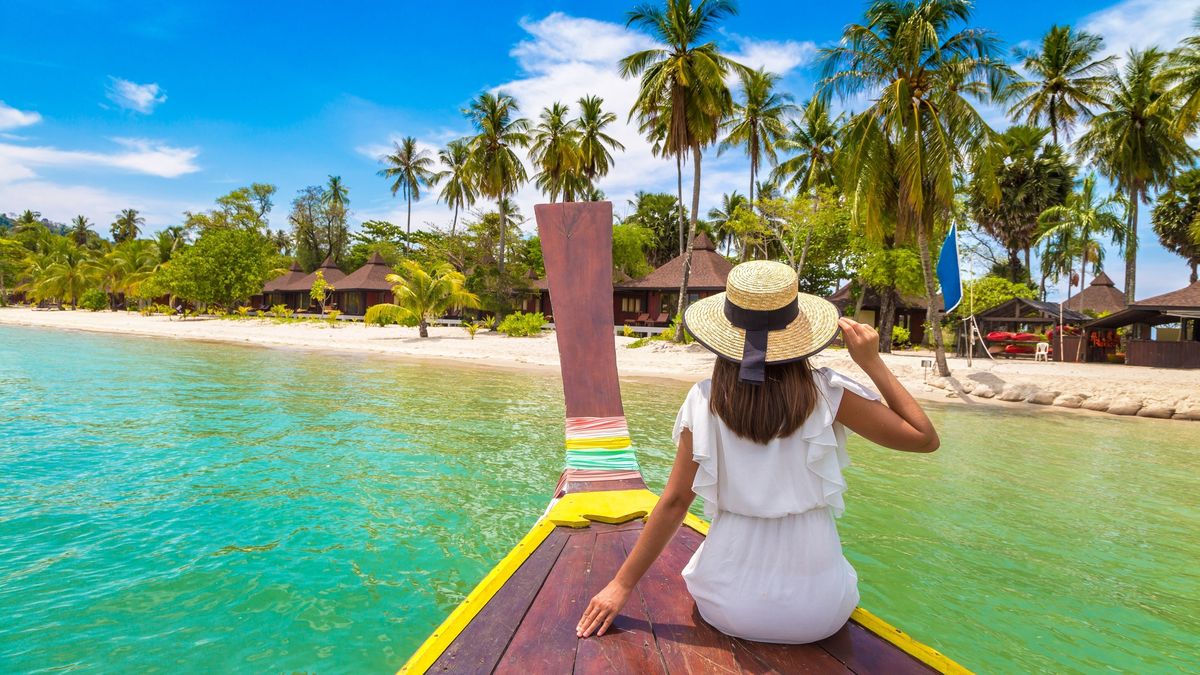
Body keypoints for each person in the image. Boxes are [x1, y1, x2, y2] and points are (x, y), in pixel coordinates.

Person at [576, 260, 939, 643]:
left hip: (730, 605)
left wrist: (620, 584)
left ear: (725, 332)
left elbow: (675, 502)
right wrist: (872, 363)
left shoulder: (705, 398)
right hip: (819, 612)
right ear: (799, 330)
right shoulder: (829, 393)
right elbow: (924, 438)